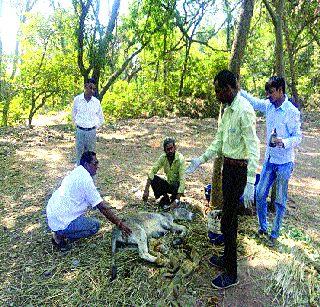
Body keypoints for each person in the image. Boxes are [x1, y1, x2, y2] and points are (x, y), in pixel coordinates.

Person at [186, 70, 260, 289]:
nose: (216, 95)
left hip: (239, 171)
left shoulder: (244, 110)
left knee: (229, 221)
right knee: (226, 221)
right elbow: (218, 143)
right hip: (227, 169)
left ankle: (232, 273)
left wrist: (250, 181)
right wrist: (201, 159)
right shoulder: (227, 111)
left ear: (229, 89)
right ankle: (226, 260)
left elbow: (254, 147)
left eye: (219, 90)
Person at [241, 76, 302, 247]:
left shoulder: (292, 112)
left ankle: (275, 232)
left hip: (285, 162)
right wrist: (239, 90)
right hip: (269, 160)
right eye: (267, 92)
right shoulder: (269, 106)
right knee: (260, 194)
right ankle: (263, 227)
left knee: (280, 200)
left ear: (281, 90)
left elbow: (298, 137)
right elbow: (254, 102)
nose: (268, 95)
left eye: (271, 92)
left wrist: (284, 142)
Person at [46, 151, 131, 251]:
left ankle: (61, 232)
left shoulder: (77, 171)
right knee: (94, 226)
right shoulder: (86, 180)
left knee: (83, 218)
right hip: (61, 219)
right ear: (86, 164)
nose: (97, 166)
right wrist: (119, 223)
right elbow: (102, 208)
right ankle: (59, 237)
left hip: (53, 214)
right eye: (95, 163)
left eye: (97, 163)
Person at [142, 137, 186, 209]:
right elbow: (152, 171)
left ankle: (175, 199)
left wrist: (177, 200)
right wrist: (146, 190)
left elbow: (182, 180)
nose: (170, 151)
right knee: (154, 179)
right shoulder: (163, 158)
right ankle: (165, 197)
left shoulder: (180, 159)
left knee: (176, 184)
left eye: (171, 148)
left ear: (175, 147)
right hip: (168, 184)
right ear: (164, 150)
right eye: (168, 149)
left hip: (176, 187)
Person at [72, 78, 105, 165]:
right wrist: (79, 125)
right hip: (80, 131)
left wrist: (93, 127)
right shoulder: (77, 100)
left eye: (94, 89)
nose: (92, 91)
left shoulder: (96, 102)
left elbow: (101, 118)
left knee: (90, 156)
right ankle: (78, 175)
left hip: (91, 133)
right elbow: (73, 115)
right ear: (85, 86)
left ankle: (90, 176)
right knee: (79, 155)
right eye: (90, 88)